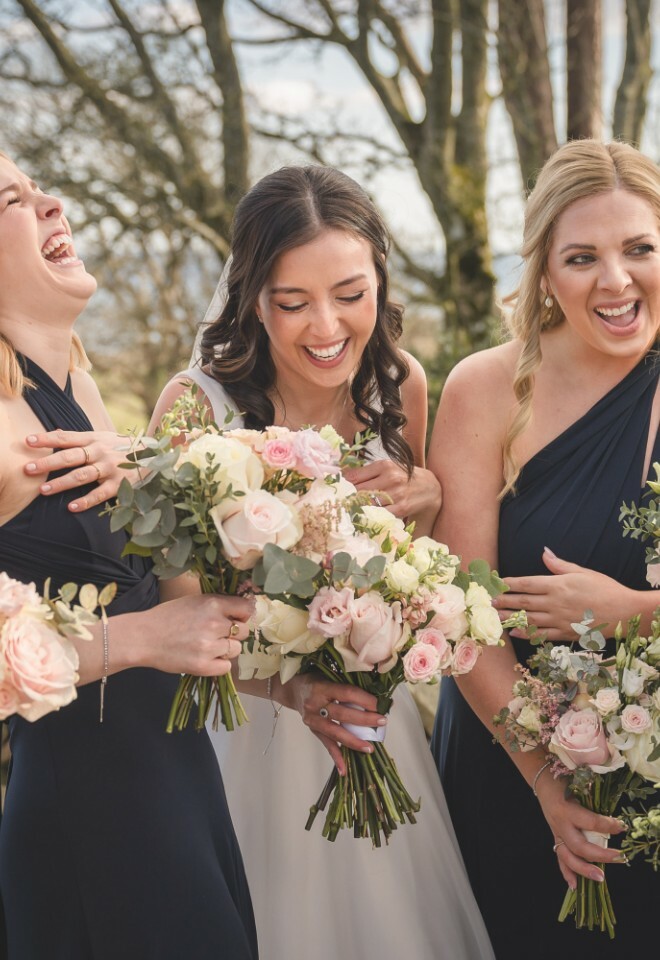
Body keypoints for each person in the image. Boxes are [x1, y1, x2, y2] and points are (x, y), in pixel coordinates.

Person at [149, 165, 494, 960]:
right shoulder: (196, 407)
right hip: (247, 731)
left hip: (376, 726)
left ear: (379, 275)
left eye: (350, 293)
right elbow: (178, 626)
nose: (326, 326)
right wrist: (292, 687)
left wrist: (431, 495)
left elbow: (420, 563)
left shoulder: (398, 384)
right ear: (251, 298)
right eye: (291, 302)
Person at [0, 152, 260, 960]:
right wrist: (145, 642)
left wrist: (296, 688)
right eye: (14, 197)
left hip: (169, 780)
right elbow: (150, 627)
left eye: (43, 186)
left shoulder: (72, 388)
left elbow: (157, 596)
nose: (53, 203)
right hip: (93, 808)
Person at [428, 139, 660, 958]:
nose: (616, 281)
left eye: (640, 248)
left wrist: (633, 613)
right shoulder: (488, 388)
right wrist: (547, 783)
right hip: (509, 767)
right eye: (582, 257)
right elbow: (458, 611)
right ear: (545, 273)